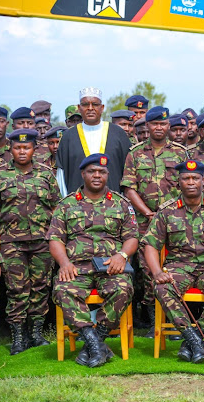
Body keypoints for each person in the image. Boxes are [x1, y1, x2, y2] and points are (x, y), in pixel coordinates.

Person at [144, 160, 204, 364]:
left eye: (195, 178)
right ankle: (194, 339)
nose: (190, 182)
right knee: (162, 288)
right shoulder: (167, 211)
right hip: (178, 267)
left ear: (203, 181)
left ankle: (192, 338)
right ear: (178, 182)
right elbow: (151, 245)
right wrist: (157, 273)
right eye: (185, 178)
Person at [47, 153, 138, 368]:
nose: (97, 175)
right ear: (83, 174)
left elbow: (132, 237)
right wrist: (65, 263)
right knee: (62, 290)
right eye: (92, 171)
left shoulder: (121, 203)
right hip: (76, 267)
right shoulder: (67, 205)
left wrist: (122, 256)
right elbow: (55, 239)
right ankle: (94, 342)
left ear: (108, 174)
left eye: (102, 172)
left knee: (124, 289)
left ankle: (95, 340)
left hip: (110, 266)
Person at [0, 129, 60, 354]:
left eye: (27, 147)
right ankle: (18, 338)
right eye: (17, 147)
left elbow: (55, 207)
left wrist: (56, 236)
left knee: (41, 288)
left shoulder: (46, 174)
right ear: (10, 149)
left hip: (42, 240)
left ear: (34, 149)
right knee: (16, 290)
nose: (22, 151)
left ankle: (36, 334)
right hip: (12, 242)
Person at [121, 106, 186, 333]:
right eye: (155, 123)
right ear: (147, 126)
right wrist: (148, 212)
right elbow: (129, 188)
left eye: (163, 124)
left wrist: (170, 214)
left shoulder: (180, 153)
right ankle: (151, 321)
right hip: (144, 222)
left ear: (168, 126)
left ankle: (174, 320)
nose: (159, 127)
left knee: (175, 266)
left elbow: (186, 187)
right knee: (149, 269)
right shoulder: (135, 153)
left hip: (175, 222)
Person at [56, 87, 131, 195]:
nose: (90, 108)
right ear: (79, 107)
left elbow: (128, 174)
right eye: (85, 104)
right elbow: (61, 177)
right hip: (77, 207)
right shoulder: (68, 137)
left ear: (102, 107)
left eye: (95, 104)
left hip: (113, 207)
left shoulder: (118, 134)